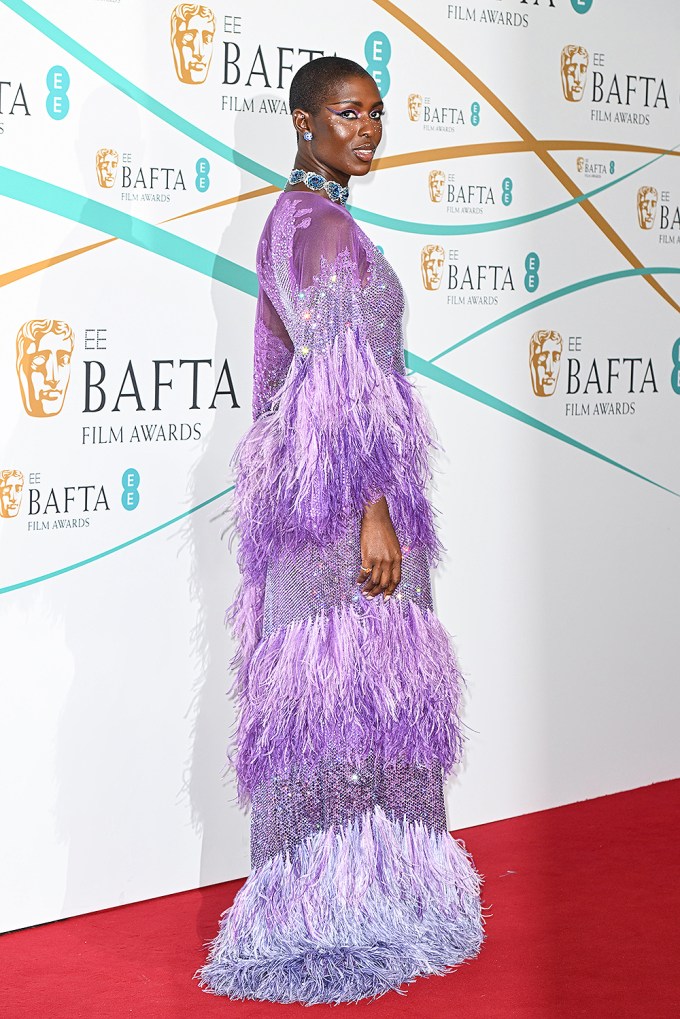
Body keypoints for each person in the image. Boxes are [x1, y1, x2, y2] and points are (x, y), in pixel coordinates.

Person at [197, 55, 486, 1005]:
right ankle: (337, 907)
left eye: (376, 114)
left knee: (352, 710)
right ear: (302, 121)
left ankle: (364, 899)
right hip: (342, 516)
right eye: (347, 114)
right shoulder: (320, 230)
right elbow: (338, 386)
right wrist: (375, 511)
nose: (367, 129)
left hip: (320, 506)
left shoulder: (307, 220)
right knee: (343, 710)